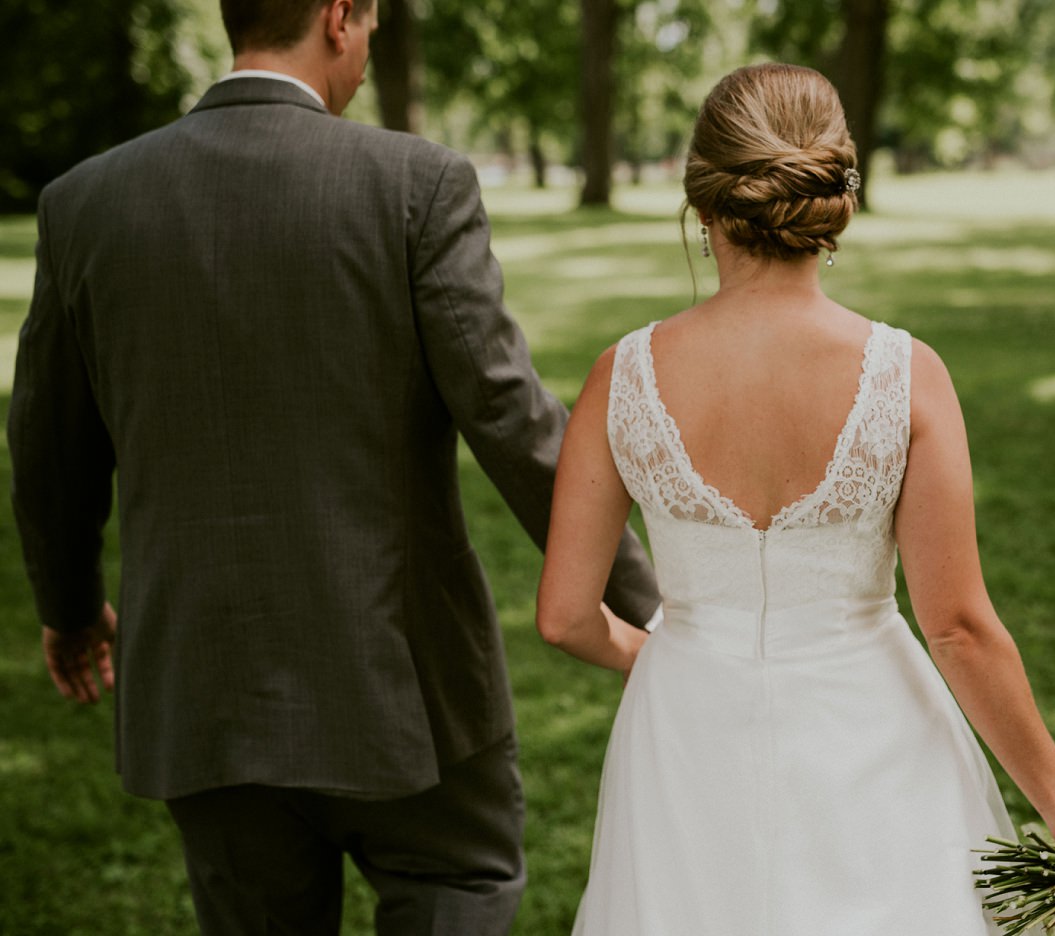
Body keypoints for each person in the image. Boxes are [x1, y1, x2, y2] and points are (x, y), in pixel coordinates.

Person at [7, 1, 660, 933]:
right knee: (463, 885)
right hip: (408, 689)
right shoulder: (412, 182)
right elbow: (512, 420)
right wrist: (661, 610)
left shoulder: (86, 204)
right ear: (338, 15)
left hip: (205, 696)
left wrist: (70, 614)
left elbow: (47, 453)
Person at [535, 63, 1055, 935]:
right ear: (834, 201)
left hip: (684, 736)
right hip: (870, 731)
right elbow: (957, 628)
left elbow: (564, 616)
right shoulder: (906, 375)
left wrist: (671, 655)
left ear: (703, 206)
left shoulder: (621, 375)